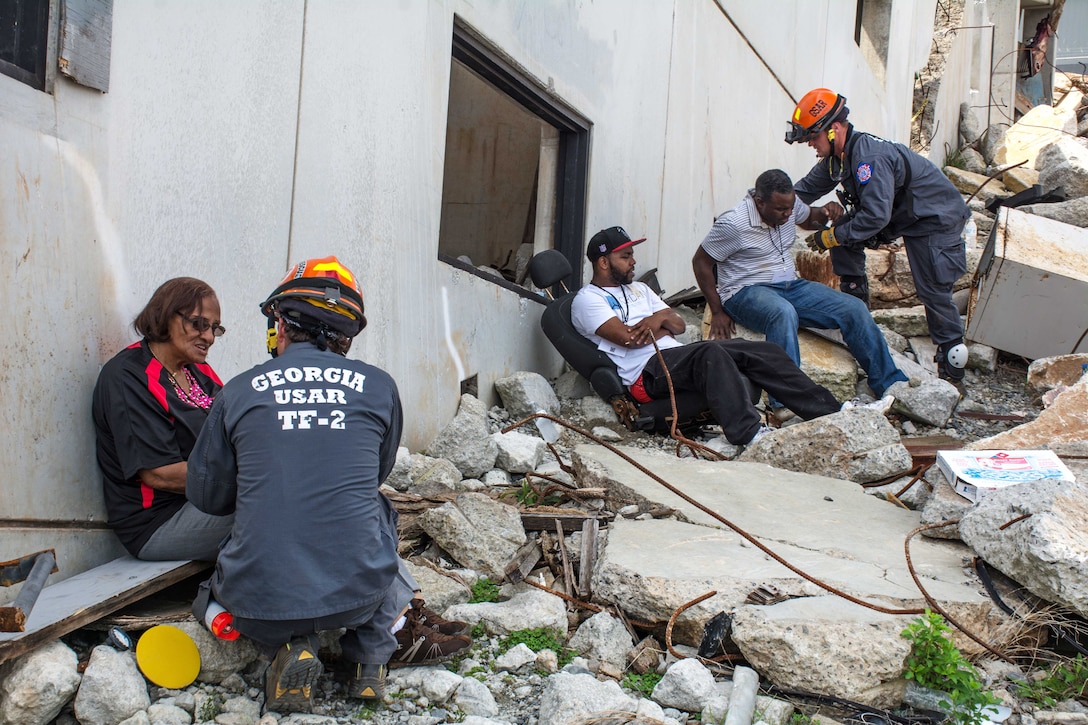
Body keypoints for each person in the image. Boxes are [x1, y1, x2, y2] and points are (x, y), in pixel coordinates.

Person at [186, 256, 468, 714]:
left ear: (280, 319)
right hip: (356, 599)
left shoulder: (239, 389)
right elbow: (373, 476)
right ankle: (370, 658)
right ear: (347, 334)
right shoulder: (378, 386)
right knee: (376, 509)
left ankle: (291, 646)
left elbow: (208, 497)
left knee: (210, 589)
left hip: (258, 603)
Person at [572, 227, 890, 447]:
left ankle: (833, 410)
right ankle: (748, 433)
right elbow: (629, 338)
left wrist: (657, 319)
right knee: (711, 354)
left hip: (673, 357)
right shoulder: (588, 299)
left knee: (761, 351)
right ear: (603, 262)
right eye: (625, 257)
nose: (633, 261)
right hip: (646, 375)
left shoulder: (640, 289)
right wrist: (659, 323)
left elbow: (679, 324)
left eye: (631, 255)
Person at [786, 88, 970, 385]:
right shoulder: (838, 160)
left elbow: (874, 217)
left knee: (933, 290)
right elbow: (800, 194)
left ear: (834, 130)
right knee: (845, 229)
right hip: (905, 216)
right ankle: (856, 314)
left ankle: (952, 368)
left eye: (813, 137)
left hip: (935, 218)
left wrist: (830, 238)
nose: (810, 144)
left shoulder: (867, 159)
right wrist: (760, 205)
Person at [693, 168, 908, 419]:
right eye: (781, 210)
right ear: (760, 202)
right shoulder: (733, 223)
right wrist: (717, 310)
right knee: (783, 314)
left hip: (789, 286)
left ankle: (890, 384)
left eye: (790, 208)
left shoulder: (789, 205)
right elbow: (701, 262)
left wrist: (826, 212)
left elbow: (808, 218)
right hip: (744, 291)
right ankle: (784, 403)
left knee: (853, 308)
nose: (787, 215)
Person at [92, 278, 234, 561]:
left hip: (206, 504)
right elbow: (159, 474)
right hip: (159, 522)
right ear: (167, 315)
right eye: (199, 323)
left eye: (214, 328)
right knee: (273, 508)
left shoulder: (200, 373)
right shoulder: (128, 376)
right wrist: (255, 479)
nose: (208, 337)